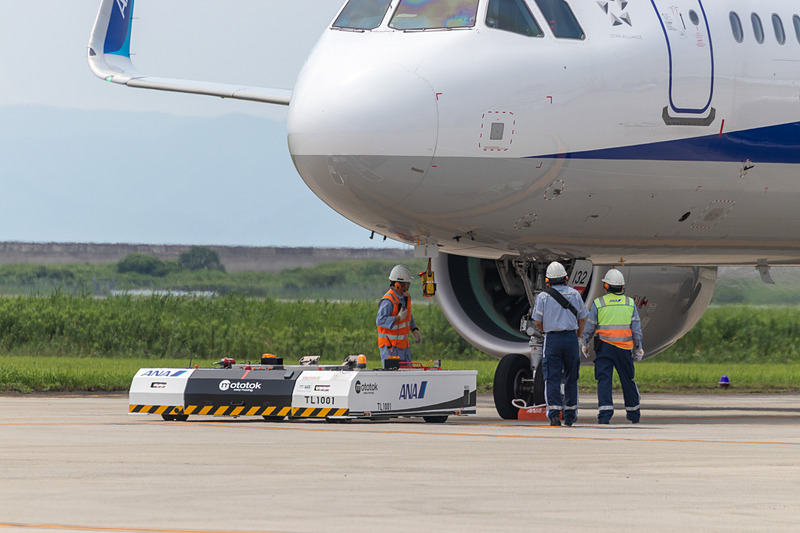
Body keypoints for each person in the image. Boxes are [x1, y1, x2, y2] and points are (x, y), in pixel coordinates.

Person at [581, 268, 644, 424]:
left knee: (604, 380)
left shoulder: (599, 303)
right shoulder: (630, 303)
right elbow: (636, 329)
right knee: (627, 380)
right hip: (624, 348)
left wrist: (585, 342)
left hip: (605, 348)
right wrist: (638, 347)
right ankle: (633, 413)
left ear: (606, 286)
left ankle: (605, 414)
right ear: (622, 287)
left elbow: (590, 326)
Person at [532, 261, 588, 427]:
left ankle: (554, 415)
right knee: (572, 377)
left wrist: (545, 332)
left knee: (552, 378)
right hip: (571, 338)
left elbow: (538, 321)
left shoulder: (543, 297)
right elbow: (582, 317)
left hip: (553, 339)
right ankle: (570, 415)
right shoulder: (575, 294)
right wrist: (578, 337)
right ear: (566, 278)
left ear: (547, 280)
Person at [376, 264, 421, 367]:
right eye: (407, 282)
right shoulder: (388, 301)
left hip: (403, 346)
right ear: (398, 284)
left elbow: (408, 315)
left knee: (407, 373)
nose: (409, 284)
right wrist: (398, 318)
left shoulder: (406, 296)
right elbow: (380, 320)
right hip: (390, 348)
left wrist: (414, 329)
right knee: (393, 374)